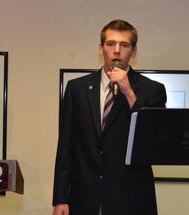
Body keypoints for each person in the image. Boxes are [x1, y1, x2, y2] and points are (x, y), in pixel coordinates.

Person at [53, 19, 167, 215]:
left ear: (134, 51)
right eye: (110, 44)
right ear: (100, 48)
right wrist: (60, 198)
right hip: (84, 197)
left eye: (124, 45)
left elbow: (153, 142)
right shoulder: (77, 89)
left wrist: (129, 92)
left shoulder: (152, 90)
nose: (117, 50)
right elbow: (65, 146)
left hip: (131, 197)